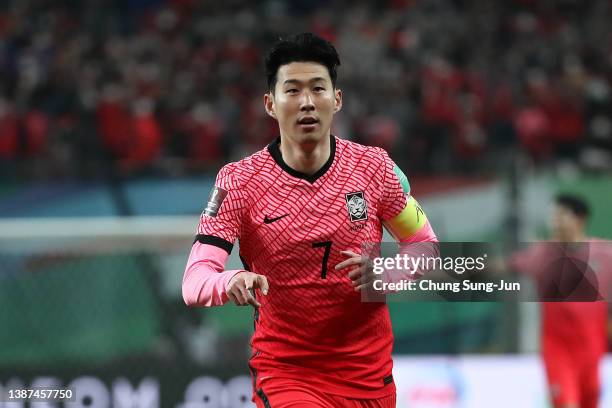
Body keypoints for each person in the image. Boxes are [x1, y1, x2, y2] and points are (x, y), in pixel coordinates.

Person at [182, 33, 437, 408]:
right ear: (270, 104)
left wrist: (388, 273)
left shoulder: (375, 168)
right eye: (293, 90)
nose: (306, 102)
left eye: (318, 89)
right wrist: (231, 279)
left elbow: (425, 247)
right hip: (287, 372)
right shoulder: (237, 182)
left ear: (336, 99)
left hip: (368, 377)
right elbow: (194, 280)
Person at [510, 194, 612, 408]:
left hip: (593, 352)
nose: (554, 221)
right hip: (559, 351)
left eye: (560, 215)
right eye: (552, 215)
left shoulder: (605, 254)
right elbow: (500, 266)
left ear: (580, 219)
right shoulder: (542, 254)